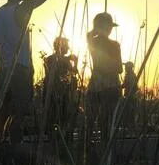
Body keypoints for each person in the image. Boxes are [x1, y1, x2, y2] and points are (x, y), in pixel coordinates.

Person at [0, 0, 55, 145]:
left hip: (3, 71)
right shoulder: (23, 8)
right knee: (18, 114)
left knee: (2, 114)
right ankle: (15, 151)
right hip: (20, 70)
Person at [86, 12, 122, 145]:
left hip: (96, 87)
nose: (111, 29)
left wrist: (95, 30)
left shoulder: (93, 42)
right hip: (109, 88)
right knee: (104, 124)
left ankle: (88, 153)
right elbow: (119, 68)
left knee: (92, 123)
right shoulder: (114, 45)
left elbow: (88, 35)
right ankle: (103, 153)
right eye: (109, 26)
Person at [42, 36, 78, 138]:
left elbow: (73, 74)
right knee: (53, 117)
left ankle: (60, 139)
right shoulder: (50, 59)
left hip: (63, 94)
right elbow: (52, 75)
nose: (68, 48)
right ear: (61, 46)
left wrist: (75, 63)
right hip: (54, 94)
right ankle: (54, 140)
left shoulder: (65, 61)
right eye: (67, 45)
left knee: (63, 118)